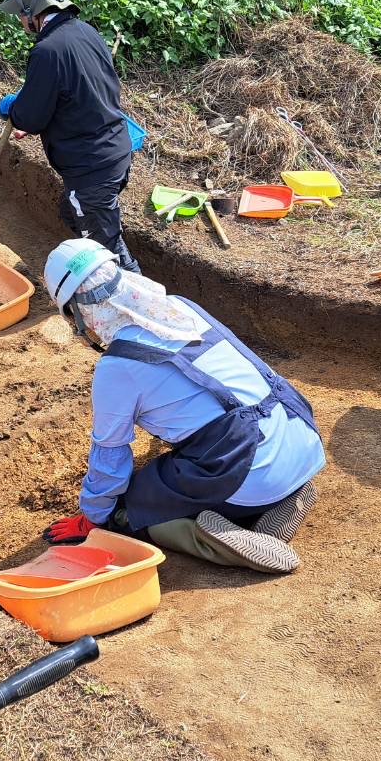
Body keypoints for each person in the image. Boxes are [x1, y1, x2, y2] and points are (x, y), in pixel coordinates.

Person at [41, 239, 326, 574]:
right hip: (297, 434)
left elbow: (110, 455)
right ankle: (284, 495)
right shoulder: (179, 308)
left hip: (250, 466)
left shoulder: (117, 367)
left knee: (126, 511)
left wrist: (94, 517)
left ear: (80, 311)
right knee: (190, 464)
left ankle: (215, 538)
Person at [0, 0, 142, 274]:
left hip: (91, 169)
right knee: (71, 212)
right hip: (115, 152)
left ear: (29, 6)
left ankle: (143, 309)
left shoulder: (48, 50)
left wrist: (15, 110)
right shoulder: (86, 33)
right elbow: (77, 92)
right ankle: (104, 243)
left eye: (19, 13)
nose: (20, 21)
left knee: (108, 257)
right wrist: (31, 105)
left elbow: (30, 118)